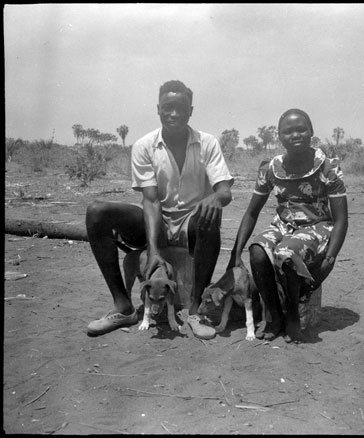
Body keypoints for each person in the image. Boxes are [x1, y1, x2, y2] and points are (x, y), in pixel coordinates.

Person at [85, 80, 234, 339]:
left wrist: (216, 197)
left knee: (210, 216)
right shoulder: (145, 145)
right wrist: (153, 250)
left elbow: (224, 190)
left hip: (192, 223)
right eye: (167, 107)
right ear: (158, 109)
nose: (173, 113)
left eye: (180, 108)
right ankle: (123, 306)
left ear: (191, 111)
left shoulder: (207, 143)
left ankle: (195, 310)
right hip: (158, 222)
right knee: (97, 212)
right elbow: (151, 201)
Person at [227, 108, 348, 343]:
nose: (296, 135)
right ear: (279, 137)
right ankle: (274, 317)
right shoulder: (272, 168)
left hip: (317, 226)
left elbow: (341, 219)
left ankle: (293, 318)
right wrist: (235, 252)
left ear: (311, 132)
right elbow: (252, 212)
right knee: (257, 251)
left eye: (301, 129)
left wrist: (329, 260)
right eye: (288, 132)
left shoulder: (327, 167)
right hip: (283, 225)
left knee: (286, 252)